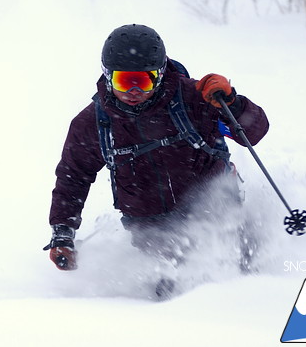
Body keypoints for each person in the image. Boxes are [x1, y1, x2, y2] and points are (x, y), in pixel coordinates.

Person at [44, 24, 269, 297]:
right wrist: (63, 233)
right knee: (168, 298)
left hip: (219, 217)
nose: (135, 90)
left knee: (246, 287)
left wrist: (232, 103)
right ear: (107, 76)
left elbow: (253, 132)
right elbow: (73, 176)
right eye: (125, 81)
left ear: (160, 76)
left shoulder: (196, 99)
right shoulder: (93, 124)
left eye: (145, 80)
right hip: (153, 233)